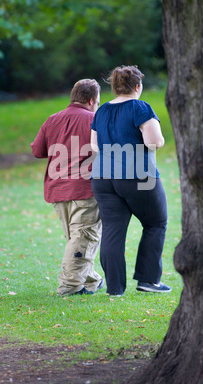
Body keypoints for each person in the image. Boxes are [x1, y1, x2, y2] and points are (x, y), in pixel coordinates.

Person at [90, 65, 171, 296]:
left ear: (114, 87)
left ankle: (115, 289)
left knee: (113, 230)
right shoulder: (140, 107)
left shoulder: (102, 110)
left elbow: (95, 145)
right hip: (139, 176)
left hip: (103, 178)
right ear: (137, 86)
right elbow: (154, 142)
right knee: (155, 223)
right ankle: (148, 280)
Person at [31, 79, 104, 296]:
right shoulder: (94, 119)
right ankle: (69, 287)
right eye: (98, 102)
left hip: (58, 189)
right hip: (85, 188)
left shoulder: (52, 119)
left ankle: (92, 280)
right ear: (91, 101)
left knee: (78, 239)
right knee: (84, 238)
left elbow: (37, 150)